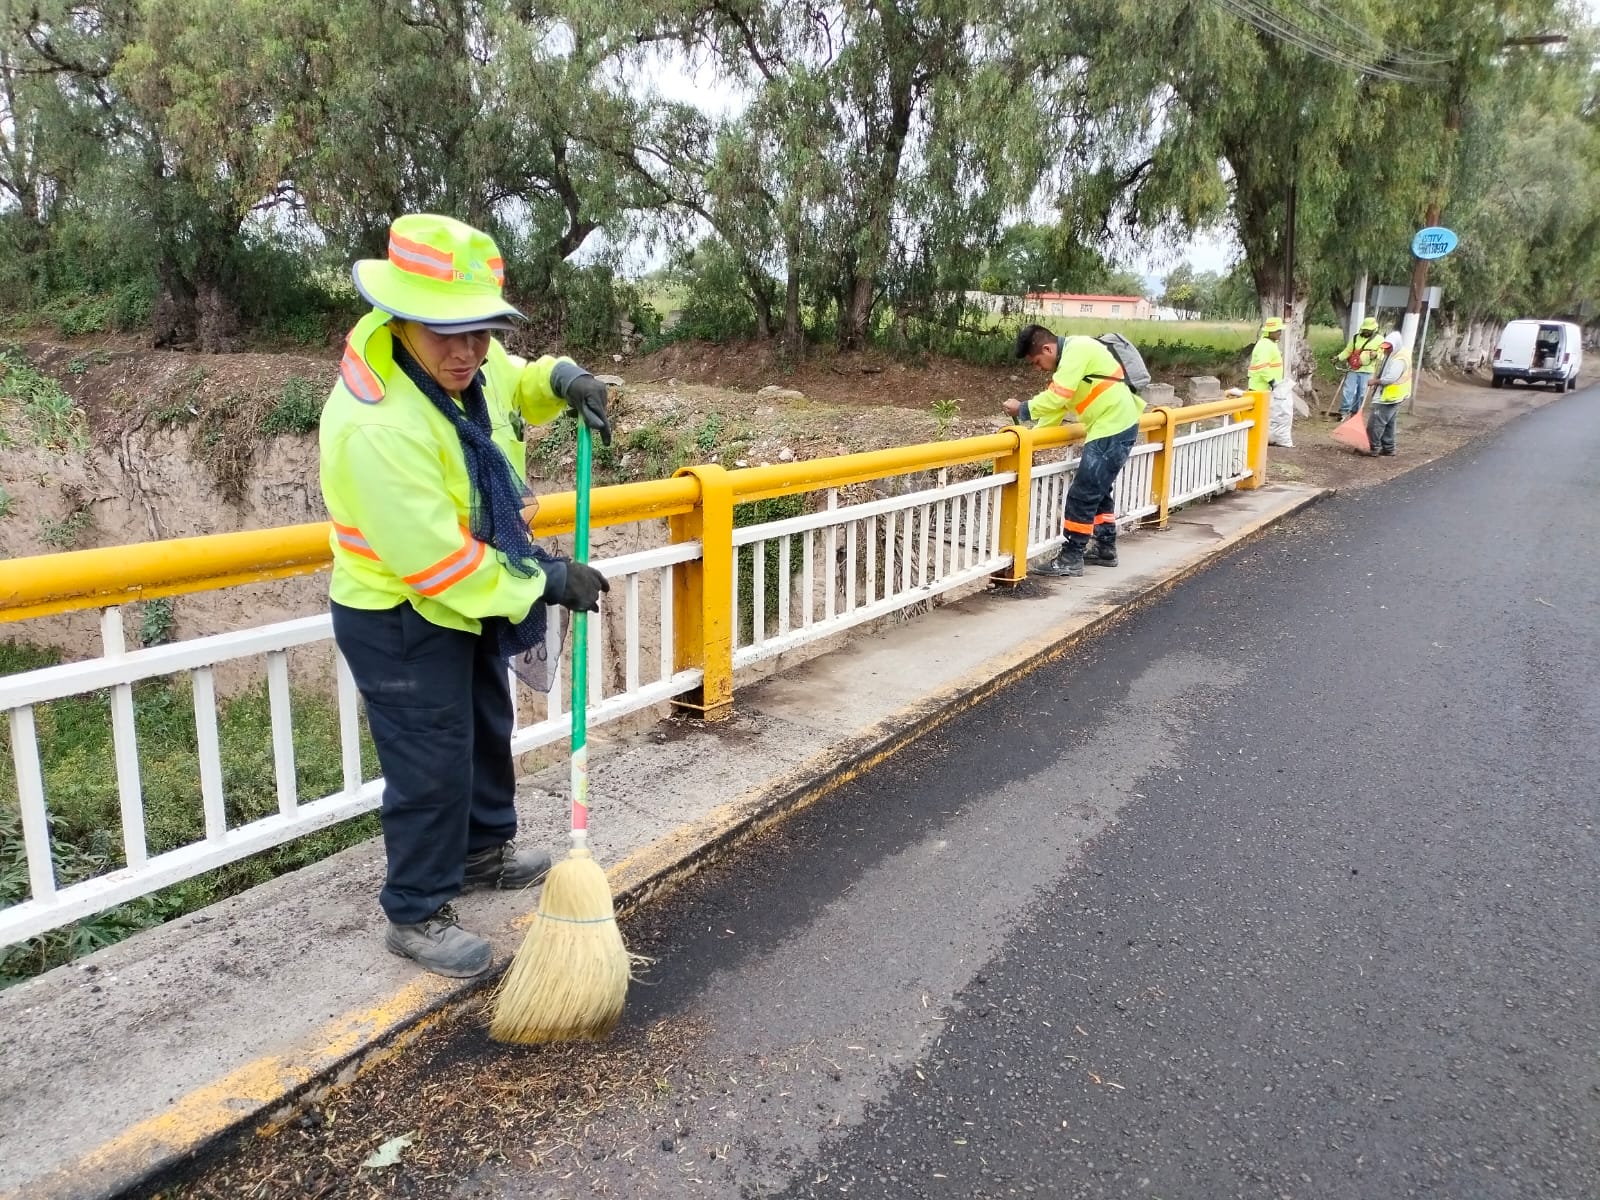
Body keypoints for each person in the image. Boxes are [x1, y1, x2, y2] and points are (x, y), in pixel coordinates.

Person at [318, 213, 614, 978]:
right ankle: (415, 910)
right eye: (448, 332)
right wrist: (547, 577)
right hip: (402, 611)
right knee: (431, 759)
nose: (468, 350)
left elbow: (512, 381)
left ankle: (484, 851)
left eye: (481, 330)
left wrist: (561, 379)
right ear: (401, 316)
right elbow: (437, 563)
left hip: (469, 596)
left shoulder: (466, 364)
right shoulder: (376, 423)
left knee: (486, 725)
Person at [1004, 324, 1145, 576]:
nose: (1038, 368)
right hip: (1113, 425)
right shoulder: (1071, 363)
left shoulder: (1077, 349)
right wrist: (1030, 440)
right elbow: (1056, 408)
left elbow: (1057, 399)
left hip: (1112, 427)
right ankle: (1105, 548)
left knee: (1082, 495)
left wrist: (1022, 409)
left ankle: (1071, 556)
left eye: (1037, 362)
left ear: (1048, 348)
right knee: (1098, 491)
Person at [1364, 330, 1411, 456]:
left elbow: (1390, 378)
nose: (1386, 351)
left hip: (1389, 396)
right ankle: (1389, 448)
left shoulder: (1399, 359)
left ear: (1395, 345)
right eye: (1385, 348)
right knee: (1389, 424)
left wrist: (1375, 381)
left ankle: (1373, 447)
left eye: (1388, 348)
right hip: (1396, 395)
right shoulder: (1399, 353)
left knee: (1375, 423)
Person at [1332, 316, 1384, 420]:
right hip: (1353, 369)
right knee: (1348, 391)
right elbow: (1348, 351)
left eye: (1368, 330)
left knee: (1361, 394)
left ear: (1374, 330)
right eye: (1364, 330)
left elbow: (1382, 355)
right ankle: (1344, 411)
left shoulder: (1380, 340)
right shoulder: (1356, 338)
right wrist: (1338, 358)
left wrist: (1376, 355)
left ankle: (1356, 413)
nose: (1366, 332)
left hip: (1367, 371)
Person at [1247, 317, 1285, 394]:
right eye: (1278, 330)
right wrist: (1272, 382)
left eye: (1280, 330)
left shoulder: (1270, 343)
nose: (1280, 333)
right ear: (1270, 332)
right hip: (1260, 390)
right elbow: (1262, 366)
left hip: (1265, 389)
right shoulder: (1265, 345)